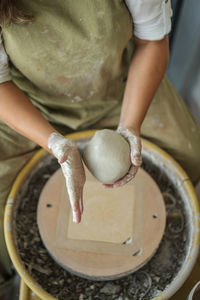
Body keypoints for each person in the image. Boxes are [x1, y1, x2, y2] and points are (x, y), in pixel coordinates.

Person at [0, 0, 199, 298]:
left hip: (119, 89)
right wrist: (55, 143)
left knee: (189, 156)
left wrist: (130, 126)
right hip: (32, 108)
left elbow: (152, 45)